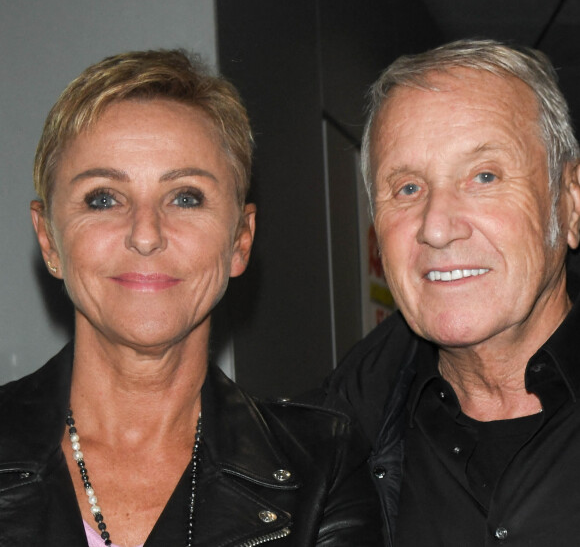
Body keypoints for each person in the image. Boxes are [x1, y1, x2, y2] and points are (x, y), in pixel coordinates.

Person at [0, 49, 382, 547]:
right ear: (49, 239)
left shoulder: (323, 465)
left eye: (185, 197)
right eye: (103, 198)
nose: (145, 234)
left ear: (240, 240)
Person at [322, 39, 580, 546]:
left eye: (484, 176)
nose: (436, 228)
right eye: (408, 189)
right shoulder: (326, 451)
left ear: (570, 204)